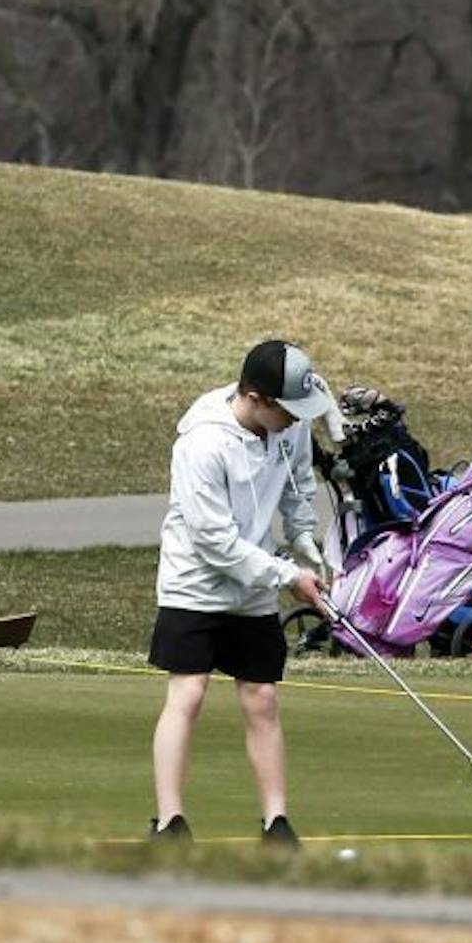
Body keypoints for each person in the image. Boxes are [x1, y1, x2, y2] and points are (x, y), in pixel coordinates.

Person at [147, 340, 336, 848]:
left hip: (258, 577)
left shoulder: (286, 426)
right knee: (188, 693)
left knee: (263, 698)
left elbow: (298, 487)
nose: (297, 422)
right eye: (288, 411)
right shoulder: (202, 443)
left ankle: (276, 823)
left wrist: (304, 544)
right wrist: (286, 576)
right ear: (255, 398)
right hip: (196, 582)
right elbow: (215, 542)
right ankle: (170, 822)